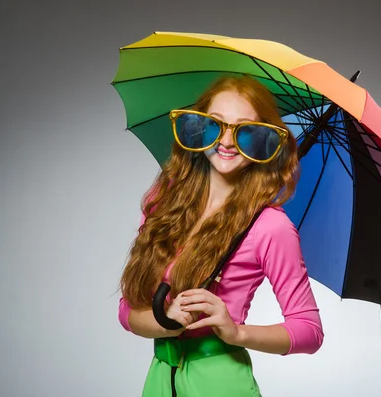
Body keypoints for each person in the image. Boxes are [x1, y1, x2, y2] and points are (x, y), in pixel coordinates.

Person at [118, 75, 324, 397]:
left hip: (220, 383)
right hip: (159, 380)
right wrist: (167, 320)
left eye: (244, 131)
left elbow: (309, 331)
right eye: (216, 124)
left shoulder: (269, 226)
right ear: (199, 128)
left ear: (264, 140)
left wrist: (236, 332)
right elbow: (126, 312)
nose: (227, 142)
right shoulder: (166, 200)